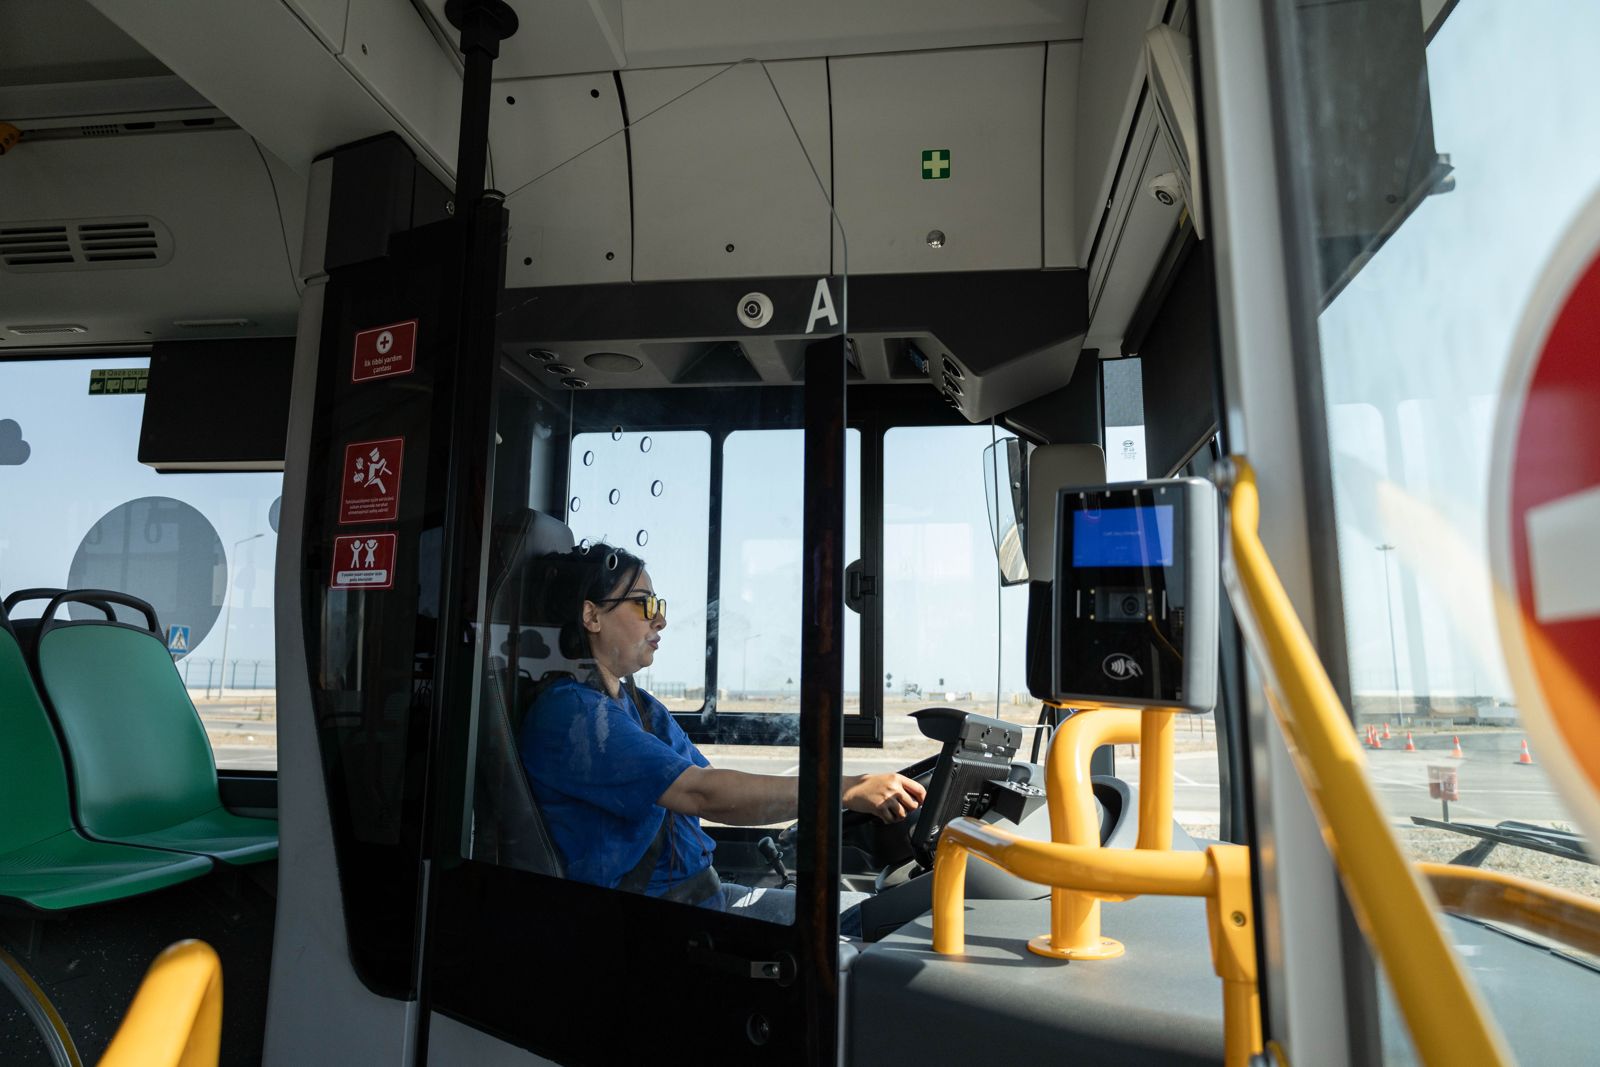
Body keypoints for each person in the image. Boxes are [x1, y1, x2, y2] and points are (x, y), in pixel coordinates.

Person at [517, 542, 925, 927]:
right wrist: (843, 789)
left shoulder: (637, 705)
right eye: (645, 604)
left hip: (704, 895)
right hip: (656, 921)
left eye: (659, 605)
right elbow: (702, 794)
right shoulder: (575, 716)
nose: (660, 619)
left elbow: (713, 784)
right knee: (874, 928)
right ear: (592, 616)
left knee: (876, 915)